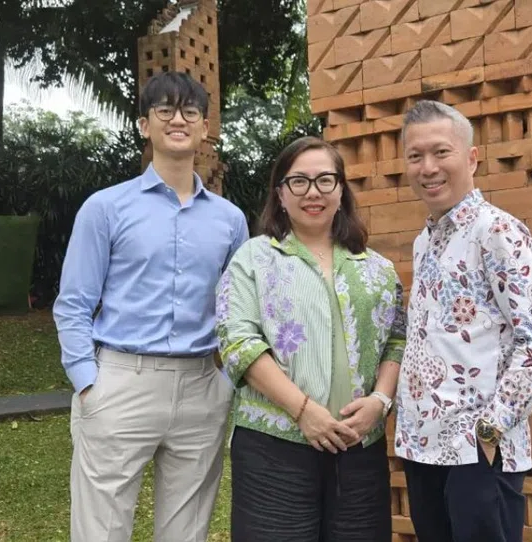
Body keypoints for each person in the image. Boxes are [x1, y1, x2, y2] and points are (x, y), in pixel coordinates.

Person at [53, 71, 248, 542]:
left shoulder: (230, 220)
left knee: (187, 532)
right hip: (120, 381)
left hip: (203, 387)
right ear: (144, 124)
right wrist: (87, 383)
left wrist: (225, 383)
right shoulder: (105, 208)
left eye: (190, 112)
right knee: (101, 529)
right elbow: (74, 303)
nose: (177, 119)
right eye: (164, 110)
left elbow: (239, 309)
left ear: (205, 128)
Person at [215, 136, 406, 542]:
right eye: (298, 181)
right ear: (280, 194)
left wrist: (380, 401)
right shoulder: (254, 259)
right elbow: (238, 342)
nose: (313, 192)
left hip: (359, 448)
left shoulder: (377, 269)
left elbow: (397, 340)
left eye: (325, 180)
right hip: (274, 446)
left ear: (341, 190)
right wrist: (304, 411)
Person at [394, 99, 532, 542]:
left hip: (478, 451)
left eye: (440, 152)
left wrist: (490, 429)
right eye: (415, 156)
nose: (428, 167)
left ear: (471, 158)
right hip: (424, 448)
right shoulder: (422, 241)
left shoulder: (497, 231)